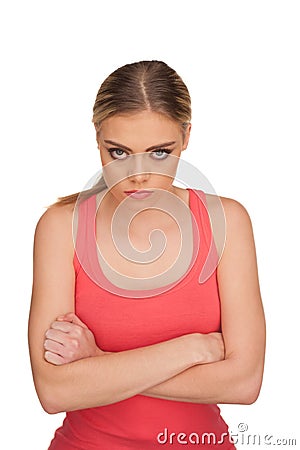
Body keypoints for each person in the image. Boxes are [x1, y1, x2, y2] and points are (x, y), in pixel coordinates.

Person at [28, 60, 266, 449]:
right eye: (118, 152)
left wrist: (99, 362)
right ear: (98, 138)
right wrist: (193, 349)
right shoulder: (61, 227)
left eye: (159, 152)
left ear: (186, 136)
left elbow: (244, 383)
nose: (137, 175)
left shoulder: (228, 222)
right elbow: (55, 392)